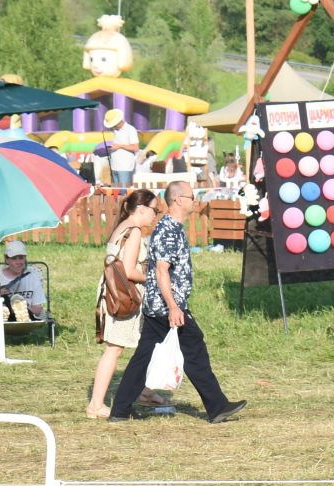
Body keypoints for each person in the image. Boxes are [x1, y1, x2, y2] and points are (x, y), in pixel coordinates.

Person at [106, 181, 247, 424]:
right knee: (194, 349)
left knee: (144, 358)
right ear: (179, 200)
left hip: (159, 306)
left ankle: (120, 410)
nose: (195, 201)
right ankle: (217, 406)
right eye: (192, 197)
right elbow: (161, 271)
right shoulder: (168, 230)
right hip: (166, 307)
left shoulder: (171, 228)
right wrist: (173, 307)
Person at [87, 190, 169, 418]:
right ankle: (96, 405)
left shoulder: (121, 227)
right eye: (154, 210)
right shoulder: (134, 232)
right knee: (114, 349)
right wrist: (154, 277)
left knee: (141, 345)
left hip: (112, 293)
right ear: (141, 209)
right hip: (124, 296)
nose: (155, 215)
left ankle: (144, 391)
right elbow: (130, 271)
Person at [0, 240, 47, 317]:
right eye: (14, 258)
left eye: (21, 258)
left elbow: (37, 310)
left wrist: (23, 309)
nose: (18, 262)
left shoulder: (32, 275)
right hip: (1, 319)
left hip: (26, 318)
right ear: (7, 260)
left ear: (25, 258)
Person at [104, 108, 140, 187]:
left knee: (123, 191)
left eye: (113, 125)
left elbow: (135, 147)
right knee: (115, 192)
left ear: (118, 122)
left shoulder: (130, 130)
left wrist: (120, 146)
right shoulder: (115, 131)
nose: (112, 127)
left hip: (124, 167)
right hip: (114, 166)